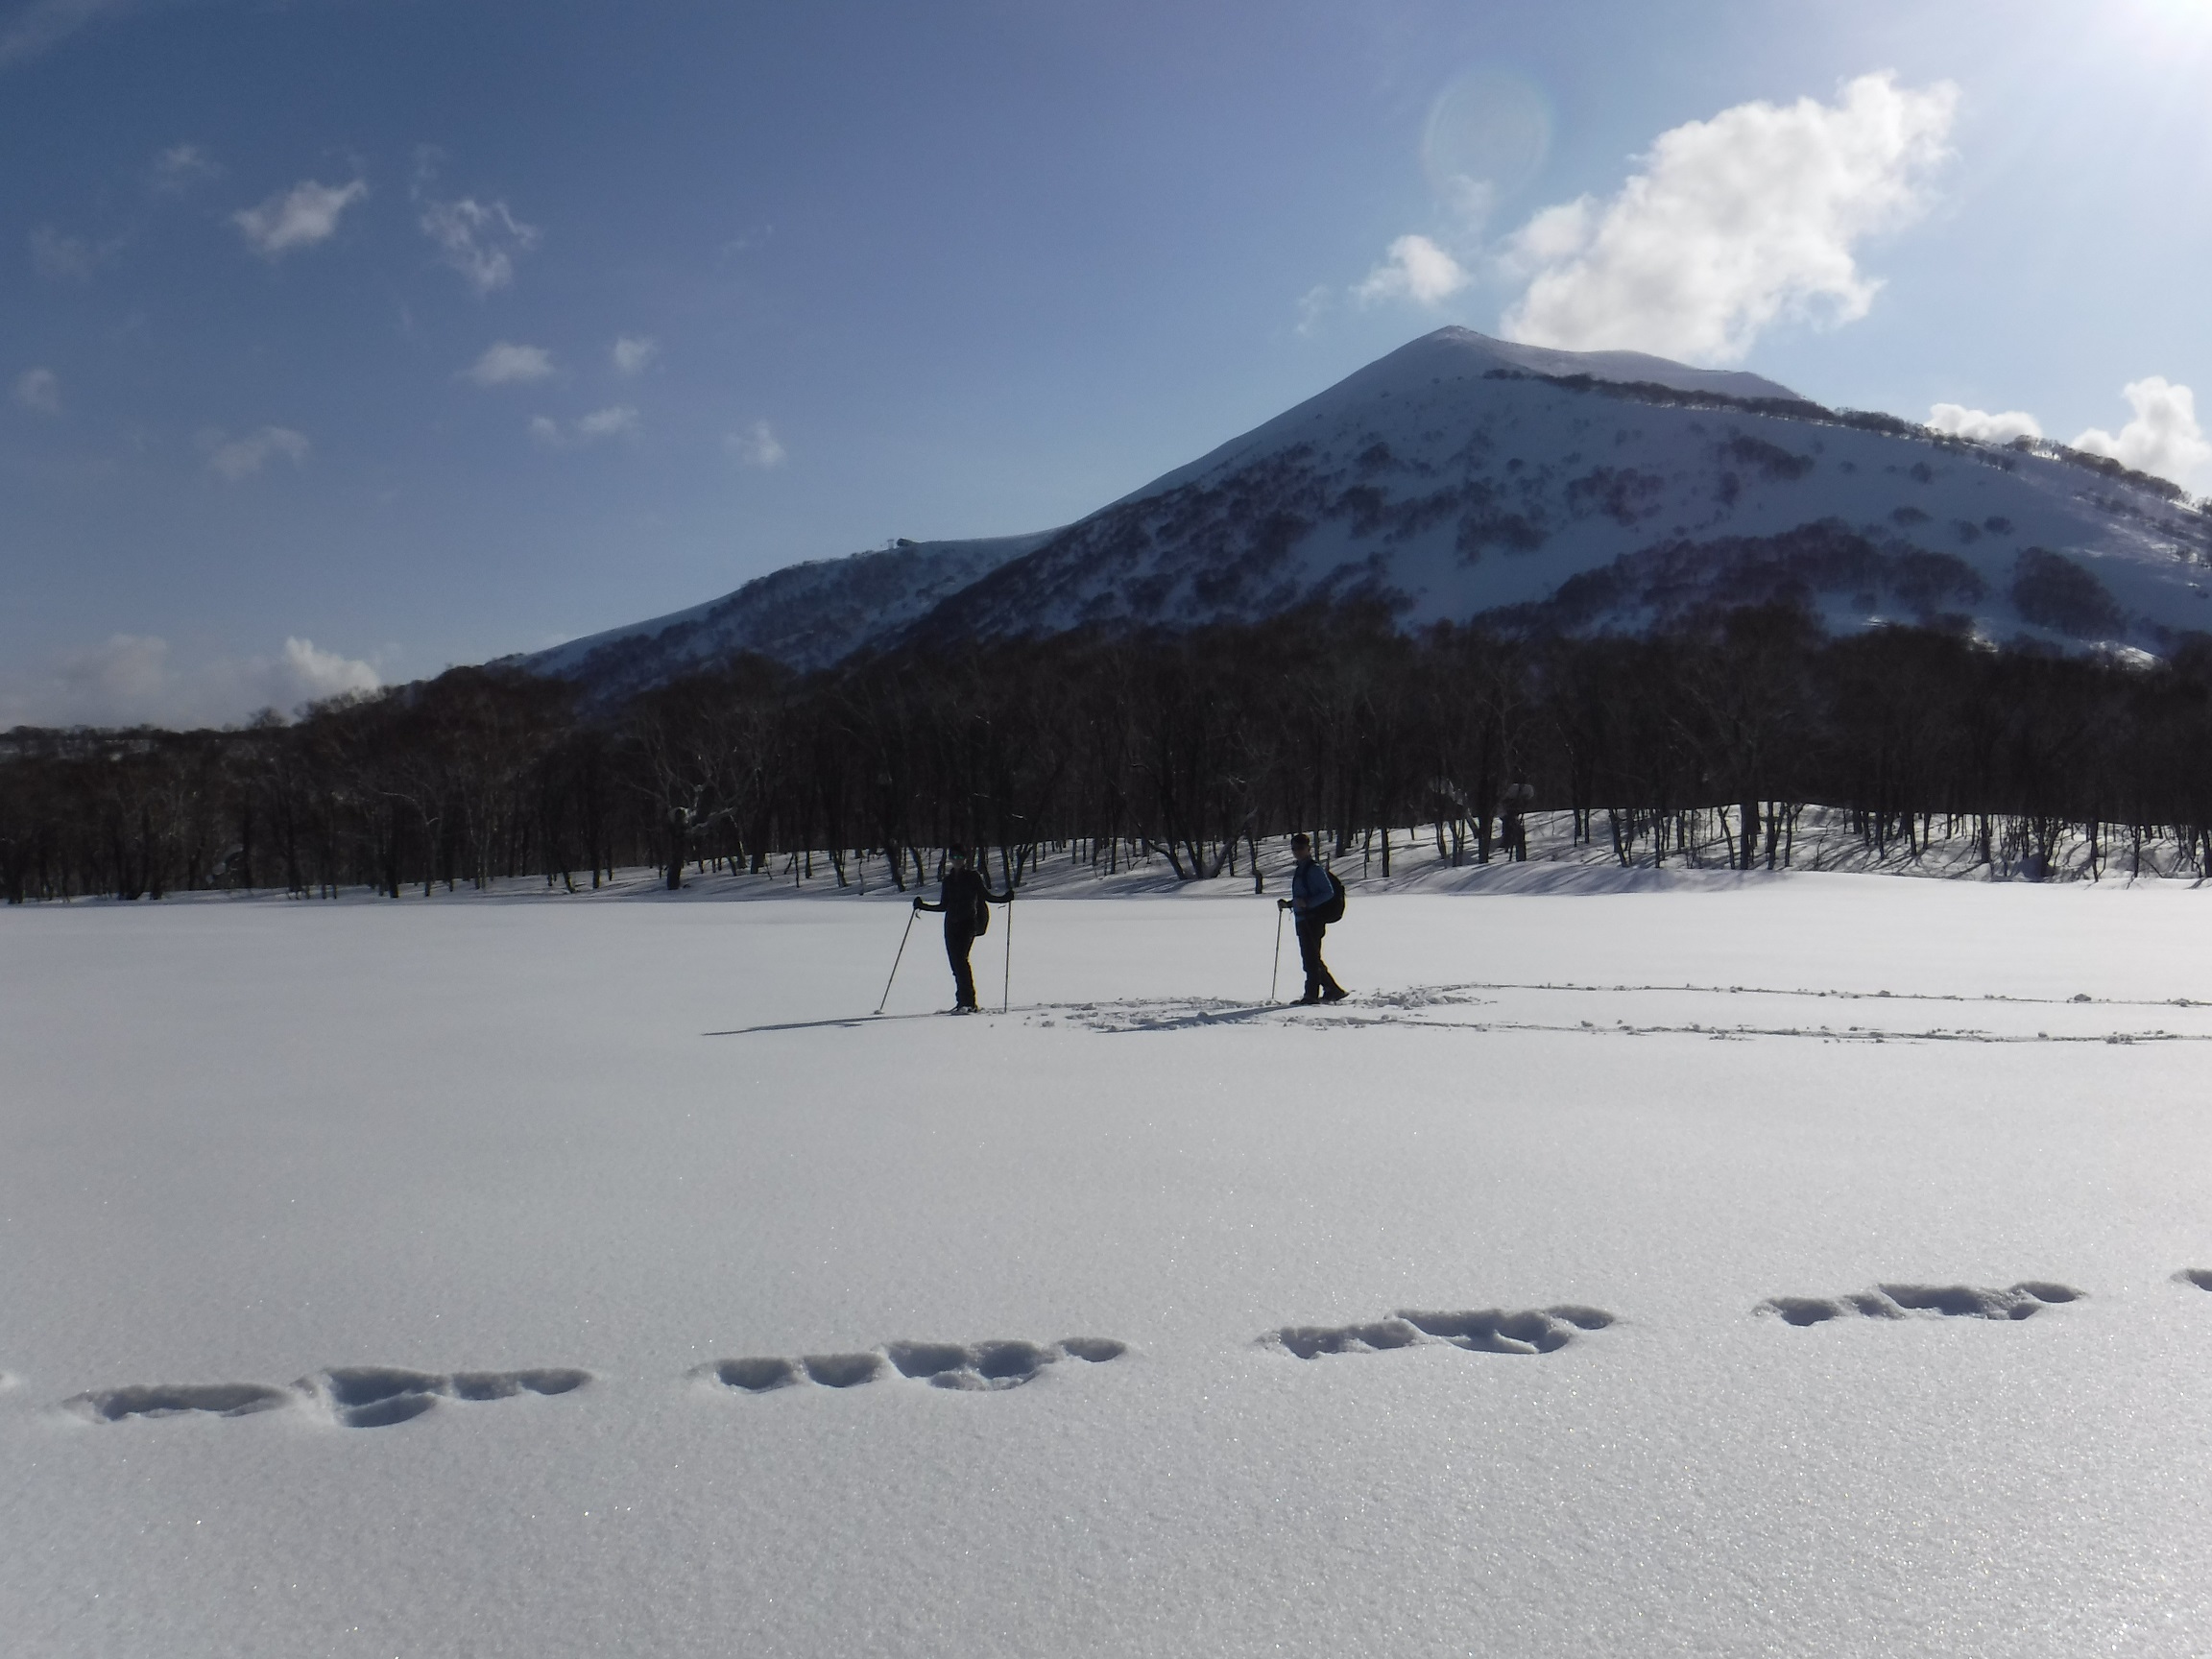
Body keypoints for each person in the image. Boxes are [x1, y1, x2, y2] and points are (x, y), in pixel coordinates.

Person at [913, 849, 1014, 1012]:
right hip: (951, 925)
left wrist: (1004, 898)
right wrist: (923, 906)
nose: (958, 859)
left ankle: (969, 1002)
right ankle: (962, 1002)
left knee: (961, 960)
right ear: (951, 859)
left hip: (968, 923)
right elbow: (943, 906)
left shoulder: (973, 877)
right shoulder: (948, 880)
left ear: (965, 859)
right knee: (955, 964)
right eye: (955, 856)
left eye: (961, 856)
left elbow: (986, 896)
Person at [1278, 832, 1346, 1004]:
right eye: (1294, 848)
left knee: (1310, 959)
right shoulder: (1301, 869)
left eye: (1300, 848)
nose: (1297, 852)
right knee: (1312, 957)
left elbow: (1328, 893)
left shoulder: (1313, 869)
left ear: (1308, 849)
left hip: (1313, 919)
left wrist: (1307, 903)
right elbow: (1303, 896)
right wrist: (1290, 904)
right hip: (1304, 919)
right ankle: (1333, 990)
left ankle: (1311, 995)